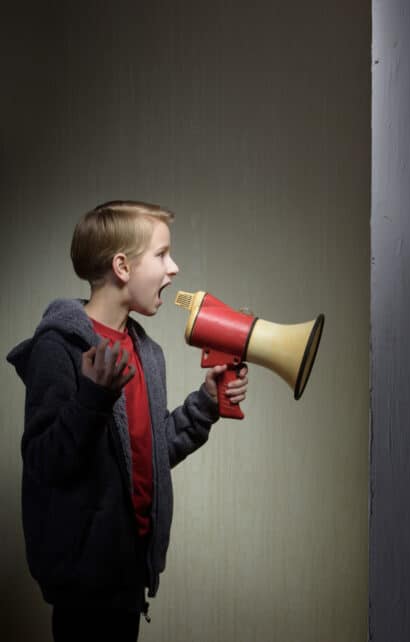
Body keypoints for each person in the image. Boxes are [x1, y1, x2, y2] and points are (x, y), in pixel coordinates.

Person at [6, 201, 250, 642]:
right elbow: (45, 461)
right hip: (82, 582)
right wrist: (94, 398)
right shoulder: (57, 349)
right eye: (161, 255)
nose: (173, 268)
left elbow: (148, 454)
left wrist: (206, 405)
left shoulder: (146, 352)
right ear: (121, 266)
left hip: (130, 571)